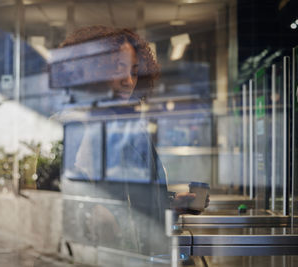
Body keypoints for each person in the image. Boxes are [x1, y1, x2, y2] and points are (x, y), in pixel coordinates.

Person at [56, 26, 209, 255]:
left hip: (142, 252)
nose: (128, 81)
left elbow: (132, 199)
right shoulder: (74, 127)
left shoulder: (131, 127)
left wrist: (172, 205)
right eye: (118, 69)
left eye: (135, 72)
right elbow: (65, 208)